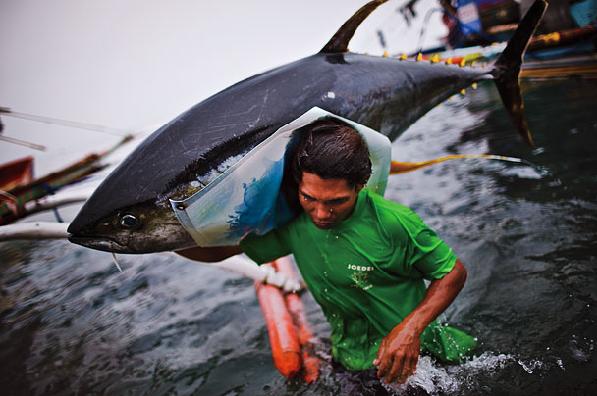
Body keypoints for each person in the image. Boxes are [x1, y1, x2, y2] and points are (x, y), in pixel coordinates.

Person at [176, 117, 476, 385]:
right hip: (350, 362)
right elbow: (222, 251)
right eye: (309, 198)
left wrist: (409, 330)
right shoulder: (295, 226)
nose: (320, 213)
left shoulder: (394, 223)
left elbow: (452, 271)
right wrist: (168, 242)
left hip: (420, 362)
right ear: (298, 185)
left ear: (360, 186)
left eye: (336, 202)